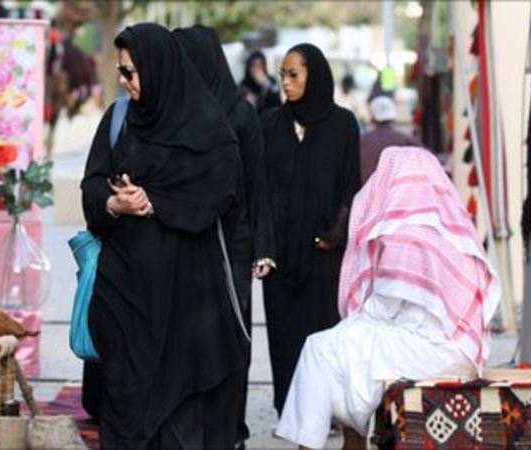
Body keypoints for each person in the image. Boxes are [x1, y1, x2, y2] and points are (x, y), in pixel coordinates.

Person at [81, 23, 248, 449]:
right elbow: (92, 183)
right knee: (123, 397)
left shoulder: (209, 129)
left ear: (158, 70)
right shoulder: (118, 120)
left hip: (187, 299)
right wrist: (113, 204)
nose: (124, 81)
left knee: (181, 414)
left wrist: (155, 202)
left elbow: (219, 189)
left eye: (131, 72)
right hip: (125, 291)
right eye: (121, 71)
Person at [275, 147, 501, 449]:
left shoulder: (406, 236)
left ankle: (314, 443)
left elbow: (383, 308)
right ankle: (348, 442)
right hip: (456, 350)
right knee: (343, 351)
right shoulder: (449, 232)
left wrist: (355, 319)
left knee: (323, 348)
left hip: (433, 352)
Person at [174, 24, 276, 448]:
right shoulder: (176, 110)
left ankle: (228, 427)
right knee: (189, 336)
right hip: (187, 241)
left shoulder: (239, 113)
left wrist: (263, 247)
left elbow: (257, 185)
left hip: (233, 245)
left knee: (232, 336)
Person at [259, 43, 361, 416]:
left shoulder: (343, 124)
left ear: (314, 75)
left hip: (323, 254)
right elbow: (259, 190)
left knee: (322, 336)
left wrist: (334, 234)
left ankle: (324, 412)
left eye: (293, 74)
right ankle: (290, 409)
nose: (284, 82)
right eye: (282, 74)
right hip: (281, 255)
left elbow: (350, 185)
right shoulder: (269, 124)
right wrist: (264, 245)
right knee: (284, 336)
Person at [359, 95, 421, 184]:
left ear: (372, 117)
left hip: (366, 195)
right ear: (393, 116)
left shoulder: (361, 141)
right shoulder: (406, 140)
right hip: (398, 195)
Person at [240, 49, 282, 114]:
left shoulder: (271, 81)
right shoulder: (243, 85)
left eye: (260, 65)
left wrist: (266, 85)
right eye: (254, 65)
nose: (257, 69)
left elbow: (278, 103)